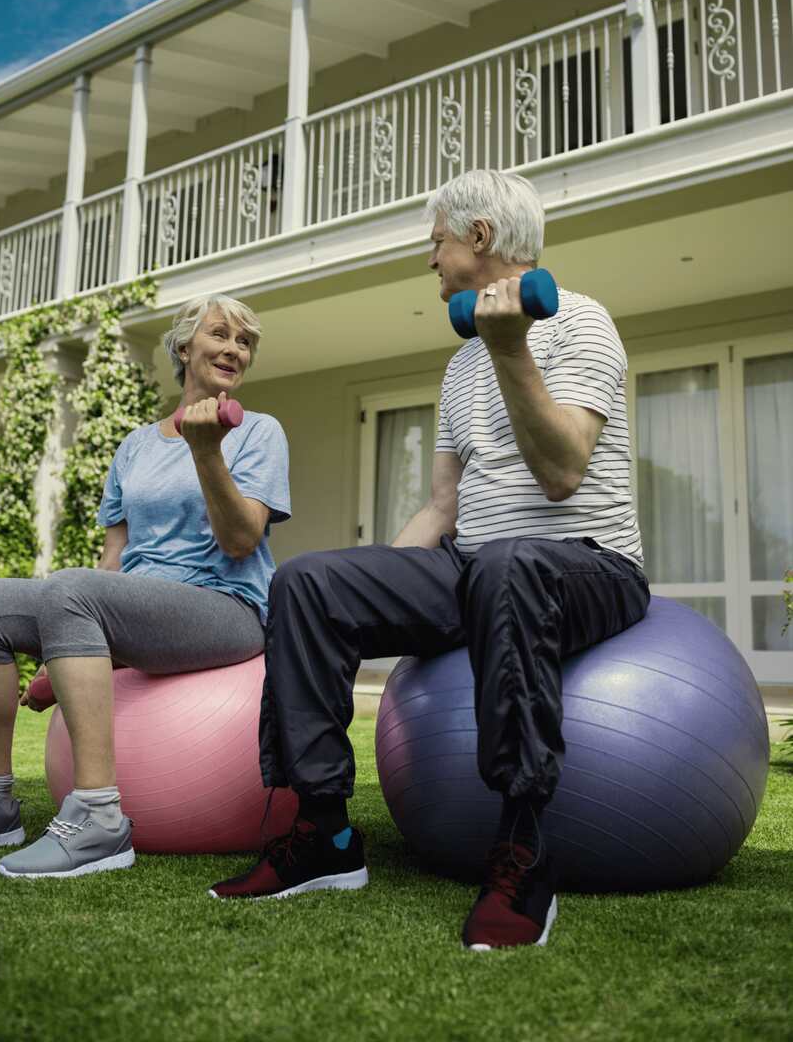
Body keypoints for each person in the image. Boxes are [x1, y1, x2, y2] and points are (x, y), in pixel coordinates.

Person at [208, 170, 649, 950]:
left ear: (478, 238)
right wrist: (374, 587)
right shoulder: (460, 364)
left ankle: (521, 849)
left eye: (436, 242)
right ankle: (324, 833)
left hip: (586, 564)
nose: (430, 260)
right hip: (475, 563)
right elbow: (443, 505)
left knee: (508, 563)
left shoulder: (581, 323)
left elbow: (561, 474)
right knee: (310, 581)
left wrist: (510, 345)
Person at [0, 293, 290, 879]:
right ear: (183, 347)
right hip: (134, 609)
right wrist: (60, 651)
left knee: (70, 589)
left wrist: (208, 454)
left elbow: (240, 541)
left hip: (226, 610)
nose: (234, 349)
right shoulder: (135, 446)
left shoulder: (258, 432)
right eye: (221, 335)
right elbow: (114, 560)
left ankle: (100, 818)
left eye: (245, 341)